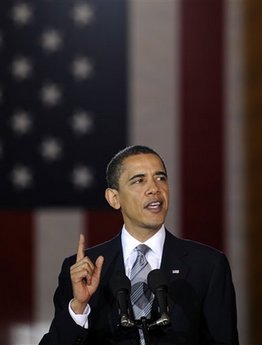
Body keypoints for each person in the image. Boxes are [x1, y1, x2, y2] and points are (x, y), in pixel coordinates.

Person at [39, 145, 239, 345]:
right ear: (114, 198)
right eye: (139, 180)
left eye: (160, 178)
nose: (154, 188)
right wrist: (79, 307)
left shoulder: (207, 266)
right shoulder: (81, 271)